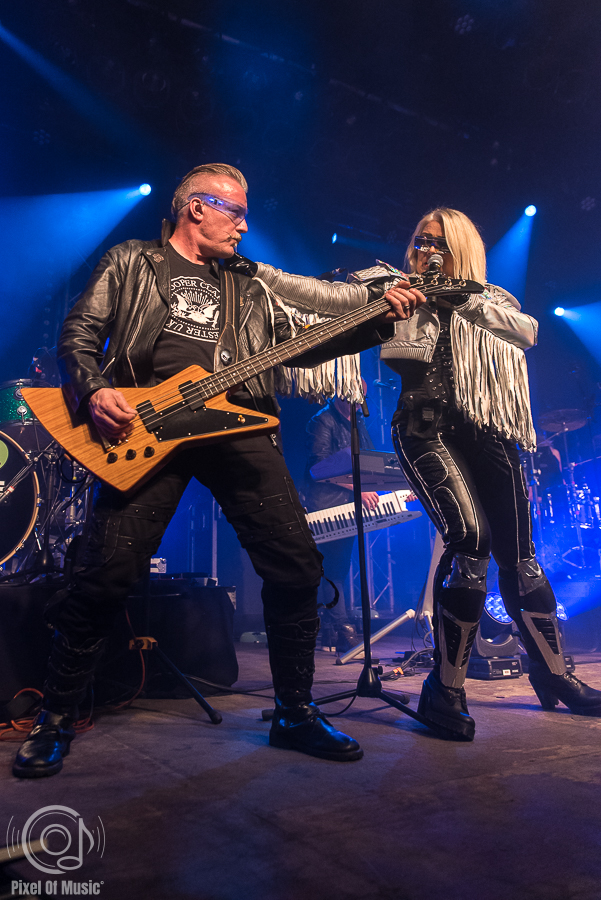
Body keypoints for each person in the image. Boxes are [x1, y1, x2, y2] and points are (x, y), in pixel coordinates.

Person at [13, 163, 423, 777]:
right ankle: (56, 717)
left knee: (296, 564)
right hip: (145, 427)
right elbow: (79, 333)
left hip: (237, 423)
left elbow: (309, 343)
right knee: (105, 573)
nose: (244, 226)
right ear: (196, 208)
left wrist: (380, 317)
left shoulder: (248, 285)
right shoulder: (132, 262)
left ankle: (294, 712)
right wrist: (95, 389)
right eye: (236, 212)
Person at [378, 207, 601, 740]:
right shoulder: (398, 291)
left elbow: (527, 331)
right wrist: (405, 296)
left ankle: (553, 674)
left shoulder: (494, 300)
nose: (426, 249)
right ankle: (445, 688)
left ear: (460, 247)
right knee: (470, 542)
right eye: (420, 240)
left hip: (489, 432)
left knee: (521, 559)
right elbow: (377, 333)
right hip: (425, 426)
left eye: (438, 242)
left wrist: (462, 297)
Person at [303, 382, 379, 653]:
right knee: (332, 566)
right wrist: (357, 489)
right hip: (326, 504)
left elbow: (368, 459)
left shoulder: (358, 423)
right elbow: (318, 467)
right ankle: (343, 628)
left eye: (363, 397)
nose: (360, 402)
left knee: (340, 566)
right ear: (342, 394)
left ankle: (330, 630)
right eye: (356, 396)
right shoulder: (323, 421)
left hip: (349, 504)